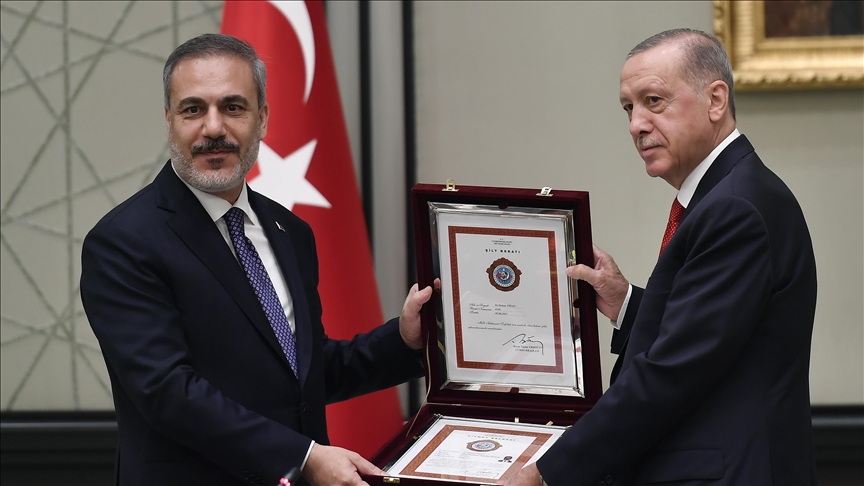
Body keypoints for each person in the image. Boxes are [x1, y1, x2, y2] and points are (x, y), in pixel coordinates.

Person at [80, 33, 433, 486]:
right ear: (169, 121)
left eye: (233, 107)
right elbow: (167, 392)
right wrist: (303, 458)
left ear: (262, 119)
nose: (213, 128)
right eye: (193, 109)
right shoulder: (123, 241)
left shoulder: (290, 232)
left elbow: (301, 373)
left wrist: (403, 340)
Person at [506, 28, 817, 485]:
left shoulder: (734, 208)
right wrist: (626, 302)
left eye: (653, 101)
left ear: (715, 101)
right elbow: (713, 335)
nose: (636, 124)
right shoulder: (728, 194)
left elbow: (673, 371)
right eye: (628, 108)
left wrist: (546, 472)